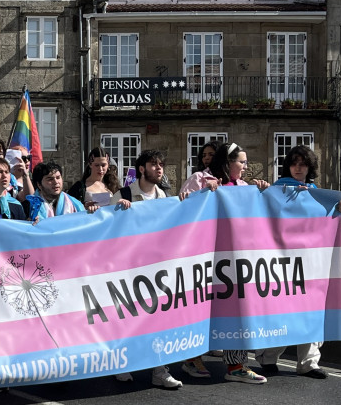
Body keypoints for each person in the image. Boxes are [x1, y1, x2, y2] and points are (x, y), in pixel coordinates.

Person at [179, 142, 270, 384]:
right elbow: (183, 207)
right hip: (204, 258)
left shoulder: (243, 187)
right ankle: (192, 359)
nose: (245, 166)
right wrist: (204, 193)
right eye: (241, 161)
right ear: (228, 162)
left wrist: (262, 193)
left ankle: (236, 365)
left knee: (236, 310)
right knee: (201, 308)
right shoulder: (200, 178)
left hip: (233, 260)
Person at [255, 145, 336, 379]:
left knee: (311, 310)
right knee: (283, 310)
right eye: (294, 163)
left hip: (310, 262)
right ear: (288, 166)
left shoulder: (316, 193)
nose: (298, 167)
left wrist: (335, 210)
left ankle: (308, 363)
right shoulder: (278, 189)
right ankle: (268, 357)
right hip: (282, 260)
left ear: (310, 167)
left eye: (303, 163)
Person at [109, 151, 189, 389]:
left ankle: (160, 369)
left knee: (159, 320)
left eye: (161, 165)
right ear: (142, 169)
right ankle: (123, 365)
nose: (159, 168)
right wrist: (119, 212)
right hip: (130, 268)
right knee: (129, 317)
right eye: (154, 164)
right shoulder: (122, 195)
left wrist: (185, 204)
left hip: (157, 268)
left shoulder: (165, 196)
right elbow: (108, 233)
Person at [69, 147, 121, 212]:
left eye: (103, 165)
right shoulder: (78, 187)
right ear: (90, 165)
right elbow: (69, 208)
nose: (100, 169)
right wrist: (83, 207)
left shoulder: (114, 185)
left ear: (108, 165)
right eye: (97, 165)